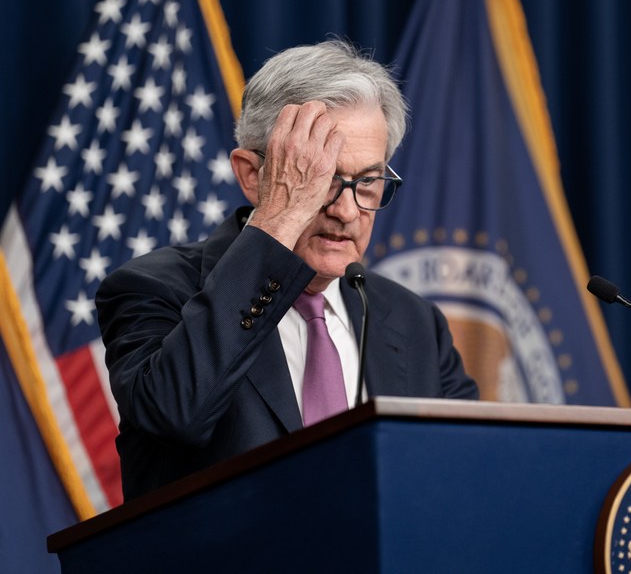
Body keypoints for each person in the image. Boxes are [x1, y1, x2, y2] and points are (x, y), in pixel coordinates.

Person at [96, 40, 479, 501]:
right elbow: (177, 415)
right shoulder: (151, 288)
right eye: (322, 179)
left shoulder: (415, 322)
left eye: (368, 182)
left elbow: (466, 477)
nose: (346, 211)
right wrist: (280, 218)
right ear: (252, 175)